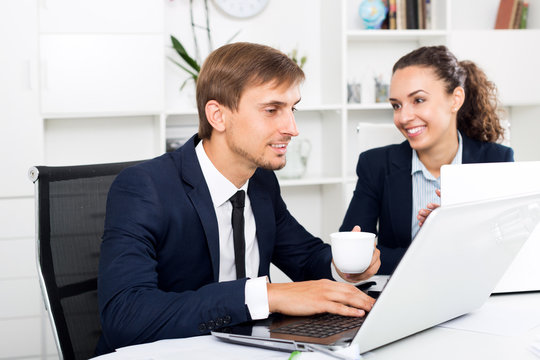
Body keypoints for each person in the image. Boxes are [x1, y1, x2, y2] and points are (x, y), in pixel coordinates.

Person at [96, 42, 381, 355]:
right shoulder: (144, 188)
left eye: (292, 109)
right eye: (272, 110)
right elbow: (126, 315)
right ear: (218, 116)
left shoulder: (261, 182)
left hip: (249, 348)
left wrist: (346, 266)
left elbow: (305, 259)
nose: (292, 128)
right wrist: (266, 296)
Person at [340, 45, 513, 275]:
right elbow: (352, 251)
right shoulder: (375, 165)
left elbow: (508, 249)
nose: (403, 117)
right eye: (396, 105)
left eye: (418, 100)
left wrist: (456, 225)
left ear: (455, 99)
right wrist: (436, 249)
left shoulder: (496, 161)